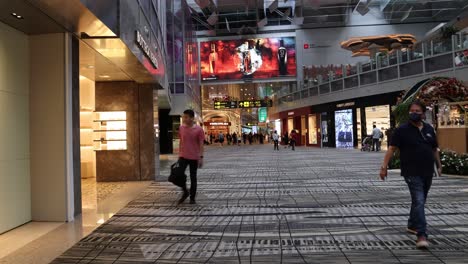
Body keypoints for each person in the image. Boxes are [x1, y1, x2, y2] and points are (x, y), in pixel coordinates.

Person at [379, 100, 442, 249]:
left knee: (420, 200)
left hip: (427, 171)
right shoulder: (402, 130)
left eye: (417, 111)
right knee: (419, 200)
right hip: (411, 171)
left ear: (423, 113)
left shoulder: (429, 129)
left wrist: (439, 165)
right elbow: (391, 149)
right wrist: (384, 167)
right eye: (412, 111)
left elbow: (434, 149)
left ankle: (412, 224)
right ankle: (421, 234)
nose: (414, 113)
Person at [178, 109, 204, 205]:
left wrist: (201, 157)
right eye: (183, 117)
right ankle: (185, 191)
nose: (184, 119)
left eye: (186, 117)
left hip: (194, 157)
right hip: (183, 156)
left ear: (192, 118)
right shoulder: (181, 128)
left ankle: (192, 198)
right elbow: (181, 141)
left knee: (193, 178)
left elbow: (201, 144)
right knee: (178, 175)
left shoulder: (199, 129)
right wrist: (179, 153)